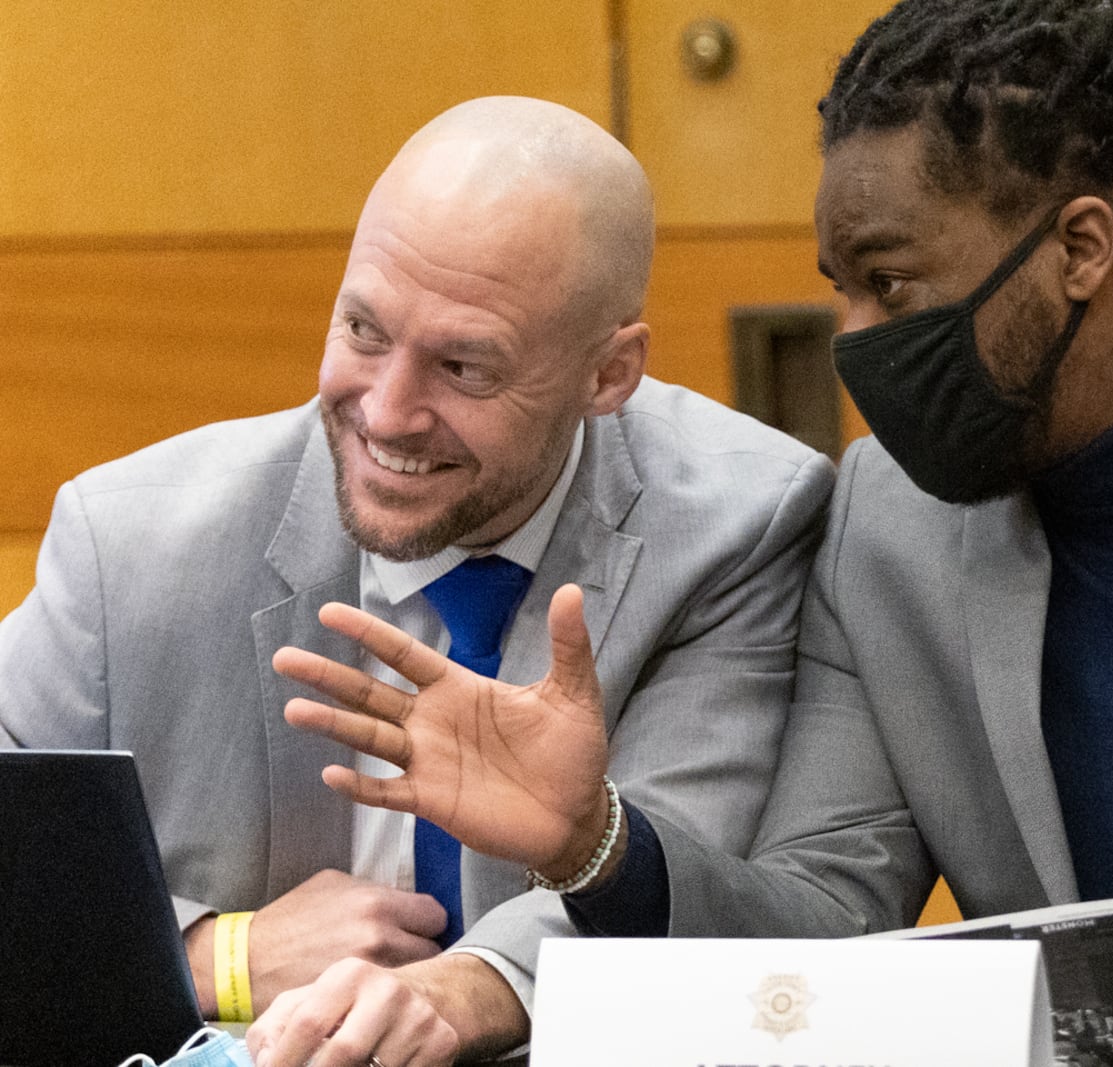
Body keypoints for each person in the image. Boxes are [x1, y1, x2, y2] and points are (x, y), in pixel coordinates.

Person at [269, 2, 1113, 1065]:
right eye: (839, 289)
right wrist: (599, 842)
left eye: (894, 284)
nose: (857, 344)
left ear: (1082, 245)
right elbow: (822, 925)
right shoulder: (886, 530)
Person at [0, 96, 833, 1061]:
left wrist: (469, 988)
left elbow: (701, 883)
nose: (389, 413)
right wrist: (216, 954)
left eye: (464, 368)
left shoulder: (735, 526)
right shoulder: (129, 543)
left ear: (608, 375)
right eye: (363, 329)